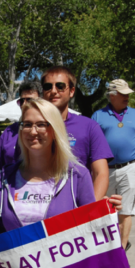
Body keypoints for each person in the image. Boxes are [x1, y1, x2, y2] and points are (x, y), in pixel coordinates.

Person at [0, 98, 121, 233]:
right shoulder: (6, 177)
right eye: (27, 124)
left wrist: (103, 214)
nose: (32, 131)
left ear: (54, 130)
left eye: (41, 125)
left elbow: (89, 230)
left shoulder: (77, 176)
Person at [91, 79, 135, 251]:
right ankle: (108, 246)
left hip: (131, 167)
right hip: (106, 170)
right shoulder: (98, 116)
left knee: (126, 210)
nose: (127, 97)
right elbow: (91, 145)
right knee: (106, 210)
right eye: (123, 94)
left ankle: (121, 248)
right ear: (112, 96)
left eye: (128, 94)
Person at [39, 66, 113, 198]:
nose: (53, 91)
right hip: (38, 201)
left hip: (76, 205)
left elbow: (100, 173)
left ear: (72, 91)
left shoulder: (89, 127)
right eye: (48, 86)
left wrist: (90, 211)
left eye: (60, 86)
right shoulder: (30, 128)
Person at [0, 79, 41, 212]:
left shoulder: (52, 131)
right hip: (9, 207)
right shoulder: (9, 132)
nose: (26, 104)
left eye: (31, 100)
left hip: (40, 204)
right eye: (22, 101)